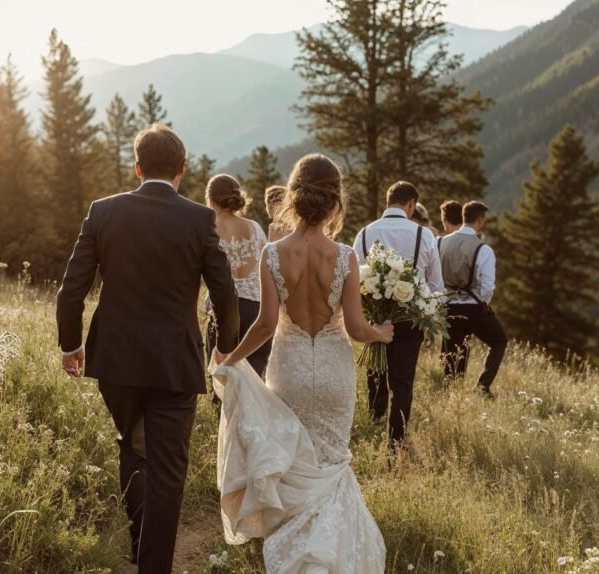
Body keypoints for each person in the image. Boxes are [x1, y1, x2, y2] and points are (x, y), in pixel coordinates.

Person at [56, 124, 239, 573]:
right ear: (181, 169)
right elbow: (225, 293)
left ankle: (141, 549)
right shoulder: (199, 218)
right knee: (168, 470)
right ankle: (151, 565)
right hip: (175, 361)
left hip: (115, 360)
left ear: (137, 168)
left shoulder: (103, 211)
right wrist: (225, 351)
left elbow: (70, 291)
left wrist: (70, 345)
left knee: (133, 447)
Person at [212, 153, 392, 572]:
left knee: (294, 460)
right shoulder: (345, 256)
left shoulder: (272, 254)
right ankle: (329, 555)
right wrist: (382, 333)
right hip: (333, 370)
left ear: (294, 197)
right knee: (331, 459)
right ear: (334, 202)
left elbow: (264, 324)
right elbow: (357, 328)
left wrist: (230, 358)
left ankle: (295, 551)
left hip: (289, 366)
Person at [352, 181, 443, 446]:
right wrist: (430, 318)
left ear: (388, 201)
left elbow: (354, 276)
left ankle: (374, 423)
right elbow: (436, 284)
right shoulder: (423, 235)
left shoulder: (365, 233)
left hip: (376, 318)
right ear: (412, 204)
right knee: (402, 381)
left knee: (376, 374)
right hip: (410, 318)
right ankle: (396, 441)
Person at [438, 200, 507, 397]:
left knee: (452, 356)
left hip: (448, 306)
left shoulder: (440, 242)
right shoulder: (483, 249)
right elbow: (487, 287)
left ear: (463, 218)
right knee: (499, 341)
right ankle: (482, 385)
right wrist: (481, 303)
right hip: (473, 307)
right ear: (480, 221)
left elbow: (433, 276)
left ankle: (451, 395)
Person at [204, 175, 272, 376]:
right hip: (255, 310)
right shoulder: (255, 227)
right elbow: (266, 265)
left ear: (211, 200)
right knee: (254, 378)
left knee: (222, 376)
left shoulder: (209, 228)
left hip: (224, 309)